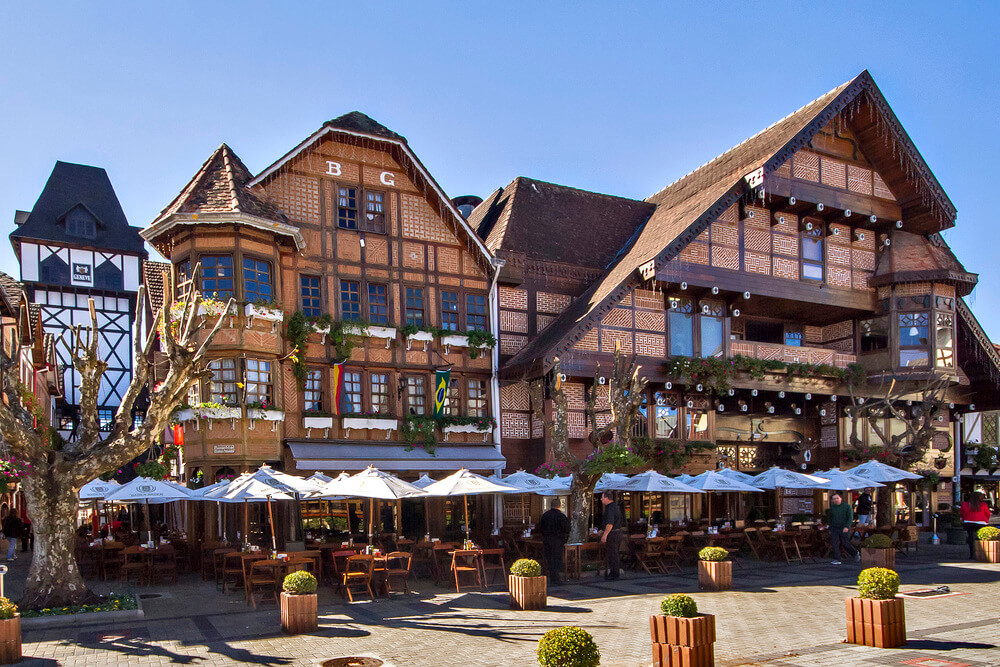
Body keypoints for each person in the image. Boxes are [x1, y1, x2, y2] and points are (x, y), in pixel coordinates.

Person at [539, 499, 570, 583]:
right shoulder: (561, 516)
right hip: (558, 541)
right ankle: (556, 578)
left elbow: (541, 528)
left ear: (550, 505)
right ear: (559, 506)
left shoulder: (545, 515)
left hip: (547, 540)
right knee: (557, 559)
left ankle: (551, 576)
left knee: (549, 558)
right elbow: (567, 528)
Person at [826, 493, 859, 565]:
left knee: (845, 543)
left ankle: (855, 553)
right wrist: (830, 527)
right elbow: (830, 518)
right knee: (834, 543)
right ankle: (837, 559)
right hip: (835, 527)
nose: (835, 500)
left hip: (844, 527)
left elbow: (850, 518)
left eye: (837, 498)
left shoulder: (847, 507)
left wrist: (847, 526)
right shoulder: (832, 507)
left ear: (841, 498)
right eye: (834, 499)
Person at [960, 491, 992, 560]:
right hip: (981, 523)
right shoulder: (983, 505)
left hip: (969, 522)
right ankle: (982, 553)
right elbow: (988, 514)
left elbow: (962, 513)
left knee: (971, 539)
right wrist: (986, 520)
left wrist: (964, 519)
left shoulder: (965, 504)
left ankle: (972, 555)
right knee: (981, 538)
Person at [600, 491, 624, 580]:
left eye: (602, 498)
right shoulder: (616, 507)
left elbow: (610, 523)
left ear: (606, 498)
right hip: (618, 532)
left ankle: (614, 573)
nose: (601, 499)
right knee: (615, 553)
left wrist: (605, 534)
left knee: (612, 553)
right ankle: (615, 571)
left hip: (612, 533)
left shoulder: (610, 508)